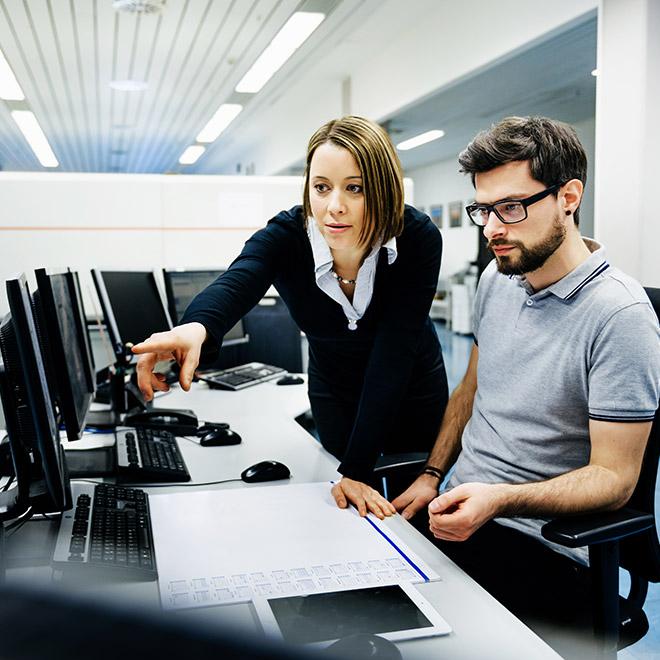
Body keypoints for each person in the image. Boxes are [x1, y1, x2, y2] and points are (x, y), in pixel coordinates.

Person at [392, 116, 660, 646]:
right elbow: (472, 389)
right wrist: (431, 473)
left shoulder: (620, 317)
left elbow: (616, 479)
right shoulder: (500, 276)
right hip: (458, 511)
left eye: (511, 208)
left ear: (568, 196)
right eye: (483, 210)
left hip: (548, 546)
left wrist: (500, 499)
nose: (492, 228)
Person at [133, 115, 449, 518]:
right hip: (333, 387)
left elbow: (394, 353)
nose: (334, 206)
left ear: (384, 189)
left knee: (409, 509)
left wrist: (358, 468)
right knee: (347, 506)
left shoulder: (417, 238)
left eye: (355, 188)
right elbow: (238, 280)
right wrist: (195, 328)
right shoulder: (287, 235)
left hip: (408, 386)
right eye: (321, 187)